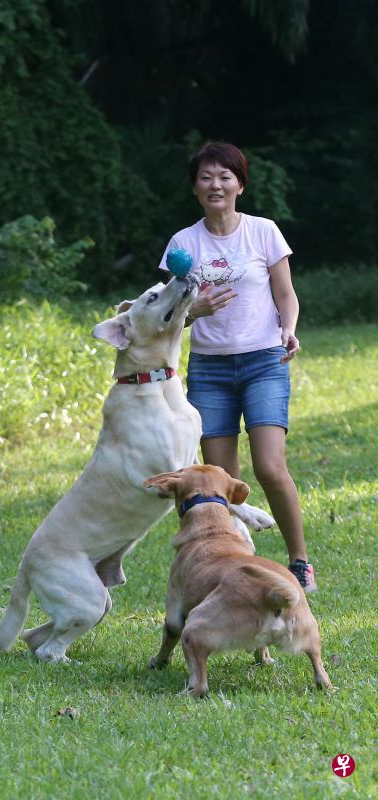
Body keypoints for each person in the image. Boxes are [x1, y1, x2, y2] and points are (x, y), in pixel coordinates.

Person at [158, 141, 317, 591]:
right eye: (206, 177)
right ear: (194, 187)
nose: (216, 184)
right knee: (216, 486)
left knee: (269, 467)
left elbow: (286, 293)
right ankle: (230, 568)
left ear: (240, 185)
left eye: (225, 176)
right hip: (209, 370)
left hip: (264, 361)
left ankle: (300, 561)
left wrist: (288, 329)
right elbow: (168, 315)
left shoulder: (263, 232)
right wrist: (195, 311)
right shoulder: (183, 244)